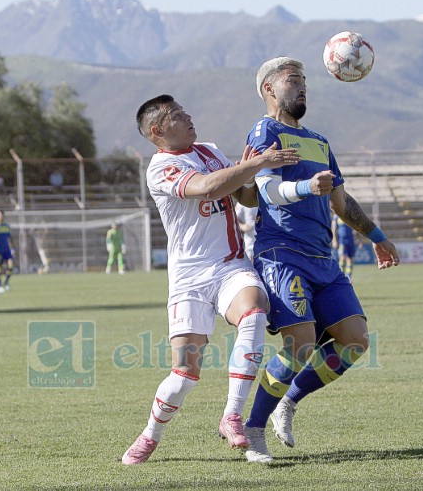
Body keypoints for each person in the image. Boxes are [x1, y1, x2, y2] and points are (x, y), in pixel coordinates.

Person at [121, 94, 300, 465]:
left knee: (254, 311)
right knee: (185, 372)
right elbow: (207, 188)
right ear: (157, 131)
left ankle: (231, 415)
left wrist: (254, 172)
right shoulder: (161, 167)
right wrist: (257, 162)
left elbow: (243, 197)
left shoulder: (211, 150)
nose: (188, 117)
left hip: (230, 265)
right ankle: (150, 436)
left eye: (186, 111)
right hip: (188, 278)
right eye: (176, 116)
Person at [242, 57, 400, 464]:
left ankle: (288, 402)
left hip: (323, 260)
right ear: (269, 90)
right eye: (293, 80)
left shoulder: (320, 141)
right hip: (282, 255)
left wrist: (377, 237)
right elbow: (269, 192)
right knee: (301, 345)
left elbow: (341, 202)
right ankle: (254, 430)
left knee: (355, 342)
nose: (302, 87)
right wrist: (306, 186)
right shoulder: (266, 131)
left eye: (305, 82)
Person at [332, 213, 357, 280]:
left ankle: (348, 276)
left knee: (350, 259)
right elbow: (334, 228)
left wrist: (359, 239)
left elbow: (356, 227)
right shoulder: (336, 216)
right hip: (342, 240)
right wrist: (334, 240)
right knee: (342, 257)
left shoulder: (350, 215)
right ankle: (341, 276)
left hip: (350, 240)